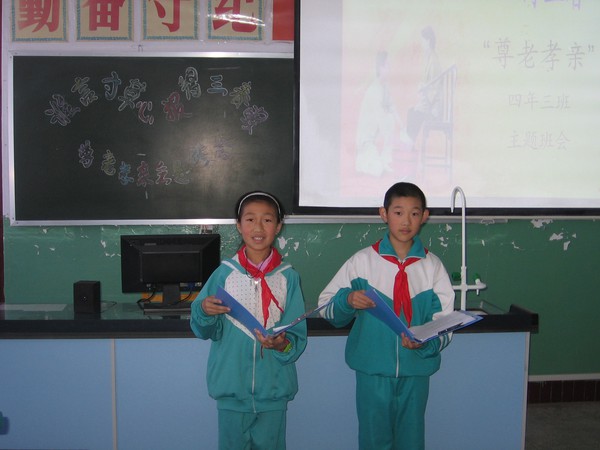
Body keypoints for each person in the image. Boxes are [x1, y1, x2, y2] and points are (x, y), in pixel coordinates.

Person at [318, 182, 454, 450]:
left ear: (425, 216)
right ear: (384, 214)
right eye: (398, 212)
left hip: (416, 371)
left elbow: (445, 322)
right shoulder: (362, 262)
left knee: (411, 439)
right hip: (372, 371)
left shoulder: (433, 267)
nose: (406, 221)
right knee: (373, 439)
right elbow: (325, 307)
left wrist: (425, 343)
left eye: (414, 213)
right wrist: (347, 300)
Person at [190, 191, 307, 450]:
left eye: (267, 220)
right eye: (250, 219)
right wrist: (205, 311)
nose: (258, 227)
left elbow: (296, 336)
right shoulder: (223, 274)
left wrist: (280, 344)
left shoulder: (288, 278)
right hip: (232, 391)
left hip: (274, 391)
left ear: (278, 226)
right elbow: (203, 329)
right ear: (239, 225)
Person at [355, 51, 403, 176]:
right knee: (377, 170)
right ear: (381, 68)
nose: (390, 69)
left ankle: (384, 159)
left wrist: (402, 125)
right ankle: (364, 160)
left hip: (376, 138)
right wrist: (397, 138)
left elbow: (392, 106)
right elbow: (382, 119)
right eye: (387, 65)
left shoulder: (385, 86)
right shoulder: (374, 90)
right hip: (366, 140)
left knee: (391, 120)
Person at [407, 26, 442, 146]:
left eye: (422, 40)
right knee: (411, 111)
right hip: (428, 102)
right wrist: (422, 87)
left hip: (434, 107)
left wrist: (423, 89)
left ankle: (410, 142)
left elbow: (435, 88)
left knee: (414, 113)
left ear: (428, 41)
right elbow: (428, 84)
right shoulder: (429, 58)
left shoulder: (433, 60)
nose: (421, 44)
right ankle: (410, 142)